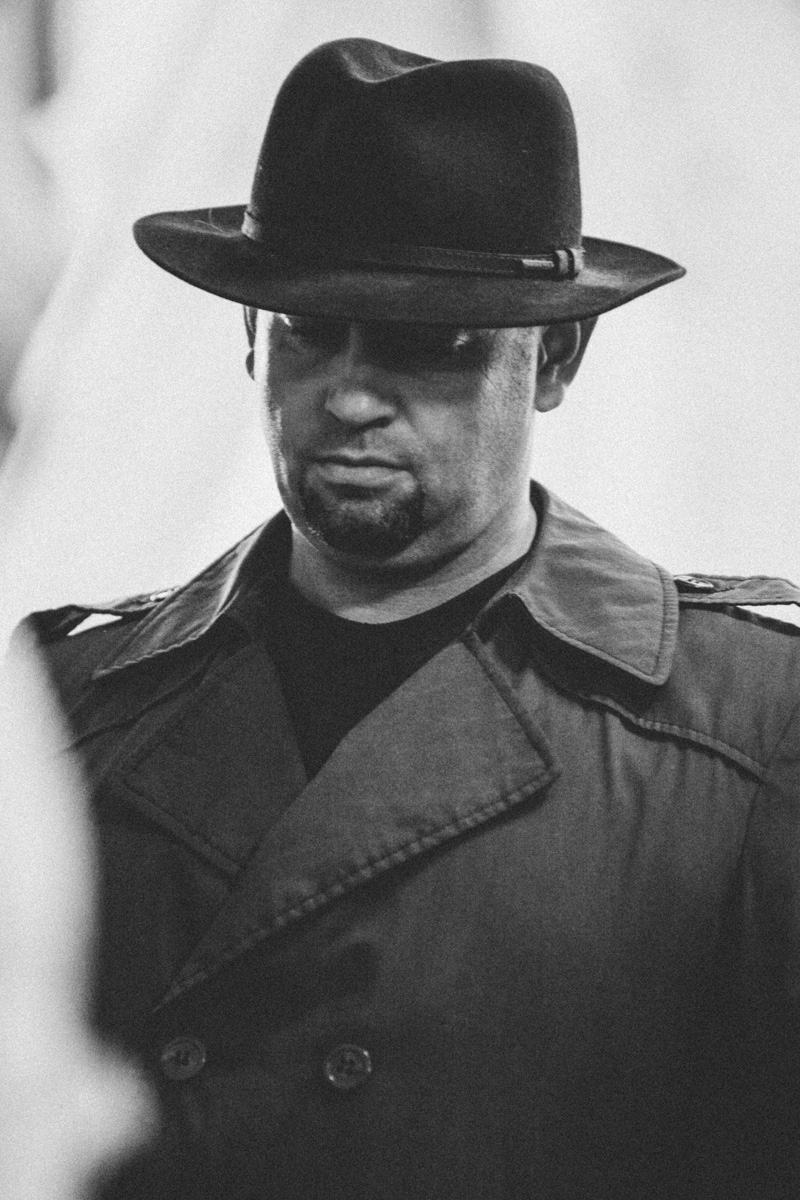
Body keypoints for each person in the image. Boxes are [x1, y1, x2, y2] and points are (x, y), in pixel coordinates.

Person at [21, 37, 800, 1200]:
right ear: (249, 336)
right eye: (306, 328)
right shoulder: (66, 711)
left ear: (553, 357)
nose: (346, 394)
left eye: (423, 341)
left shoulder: (751, 736)